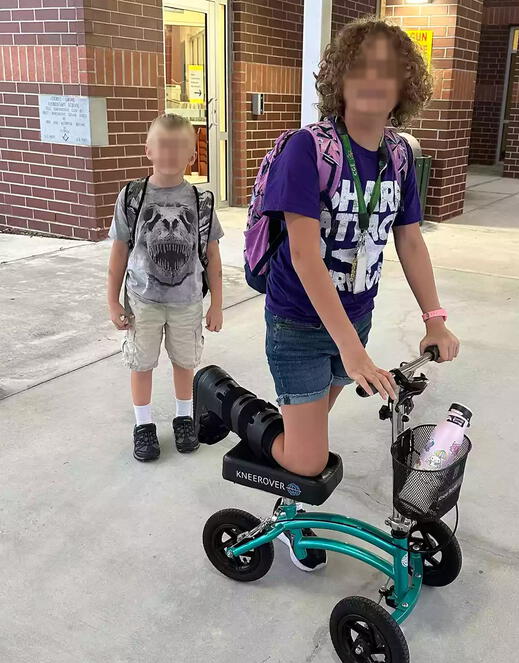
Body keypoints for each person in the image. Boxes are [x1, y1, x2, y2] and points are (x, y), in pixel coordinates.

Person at [262, 19, 459, 478]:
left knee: (307, 434)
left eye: (386, 70)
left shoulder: (400, 155)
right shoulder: (308, 149)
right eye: (360, 68)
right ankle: (230, 405)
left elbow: (409, 238)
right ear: (340, 79)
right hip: (299, 322)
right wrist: (353, 352)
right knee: (308, 459)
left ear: (404, 85)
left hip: (356, 317)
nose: (373, 80)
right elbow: (304, 256)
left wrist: (435, 320)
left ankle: (288, 501)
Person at [107, 114, 224, 462]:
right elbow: (118, 254)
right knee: (141, 364)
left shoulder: (201, 202)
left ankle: (183, 417)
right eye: (163, 145)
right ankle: (143, 425)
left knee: (184, 362)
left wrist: (217, 303)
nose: (170, 153)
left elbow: (213, 259)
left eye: (180, 147)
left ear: (192, 155)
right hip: (143, 300)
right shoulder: (132, 196)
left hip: (187, 300)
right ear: (148, 150)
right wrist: (112, 301)